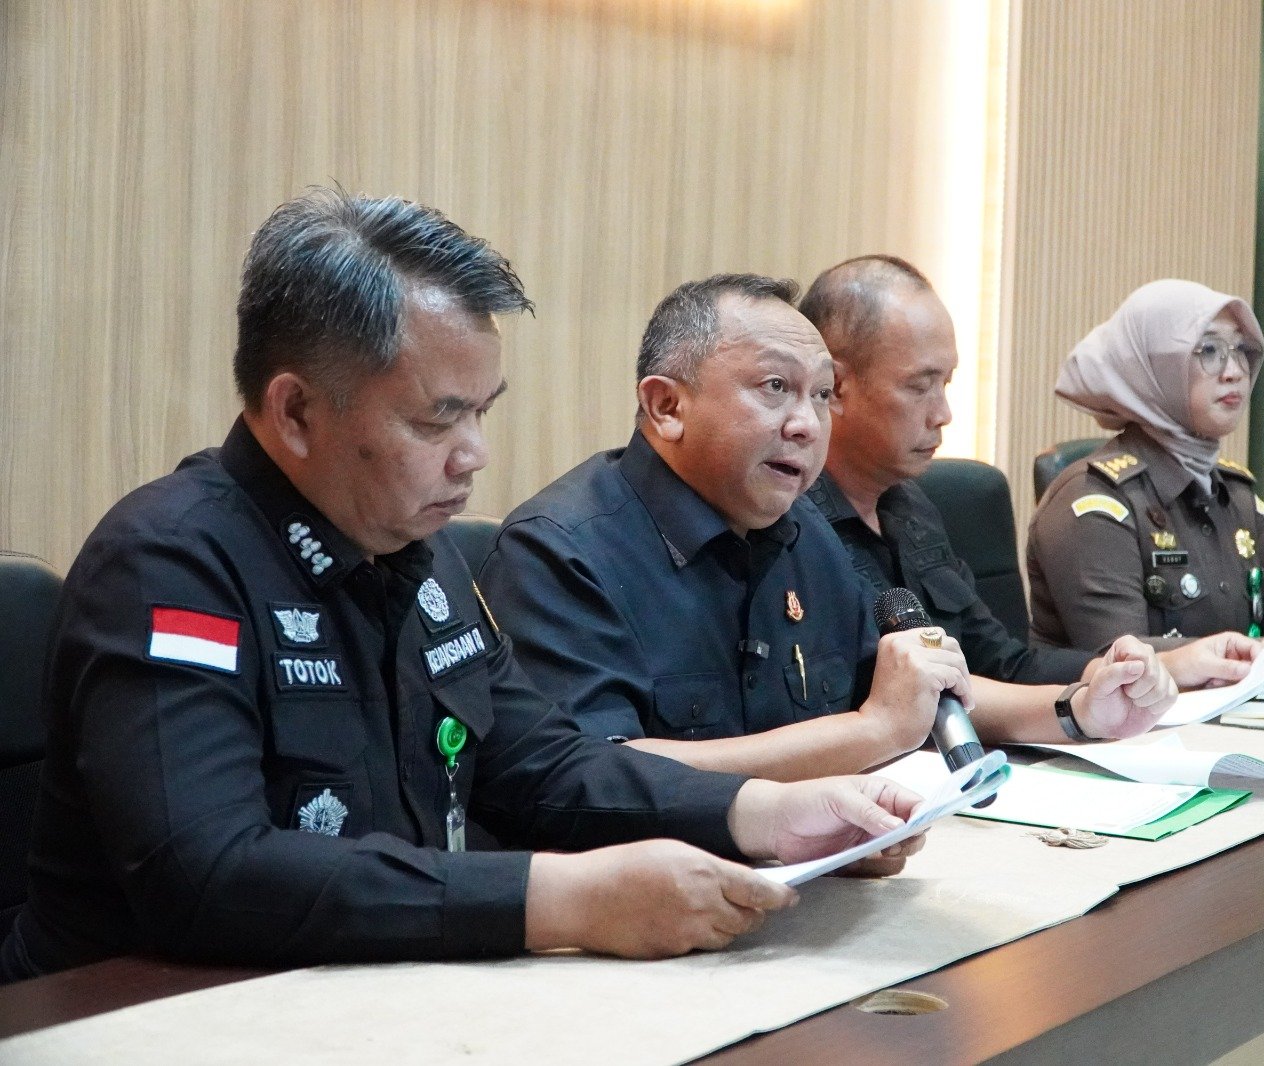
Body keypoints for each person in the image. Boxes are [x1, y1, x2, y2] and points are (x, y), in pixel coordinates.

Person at [0, 192, 925, 983]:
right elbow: (207, 875)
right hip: (149, 1012)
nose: (475, 456)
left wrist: (762, 812)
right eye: (436, 421)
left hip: (385, 992)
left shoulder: (418, 548)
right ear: (296, 410)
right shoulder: (170, 562)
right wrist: (559, 898)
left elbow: (540, 764)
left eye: (483, 412)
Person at [479, 274, 1173, 782]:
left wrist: (1075, 710)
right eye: (774, 388)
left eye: (819, 395)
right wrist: (864, 740)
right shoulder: (560, 549)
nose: (807, 425)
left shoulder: (801, 531)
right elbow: (595, 777)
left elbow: (910, 691)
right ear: (666, 407)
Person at [797, 256, 1257, 746]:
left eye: (946, 384)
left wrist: (1128, 670)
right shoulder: (792, 527)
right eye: (919, 386)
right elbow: (894, 700)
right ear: (836, 388)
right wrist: (1076, 711)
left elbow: (1002, 663)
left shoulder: (909, 509)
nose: (944, 413)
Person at [1027, 278, 1264, 658]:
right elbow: (1121, 662)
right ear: (1153, 368)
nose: (1235, 371)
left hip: (1234, 704)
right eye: (1209, 350)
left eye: (1241, 349)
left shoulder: (1234, 494)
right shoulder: (1091, 499)